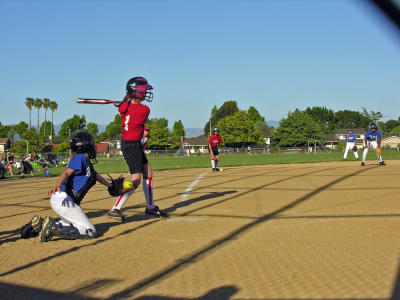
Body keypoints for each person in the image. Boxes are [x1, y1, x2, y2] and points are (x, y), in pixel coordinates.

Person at [106, 76, 167, 220]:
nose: (146, 93)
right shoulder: (144, 110)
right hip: (132, 146)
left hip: (130, 144)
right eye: (144, 91)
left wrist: (125, 101)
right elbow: (133, 107)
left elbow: (125, 105)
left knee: (148, 173)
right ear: (137, 92)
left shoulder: (123, 107)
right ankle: (115, 209)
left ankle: (150, 207)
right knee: (136, 180)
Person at [40, 131, 112, 242]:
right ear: (85, 145)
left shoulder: (87, 162)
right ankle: (51, 227)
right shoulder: (80, 158)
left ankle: (40, 224)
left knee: (71, 224)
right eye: (91, 143)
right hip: (64, 199)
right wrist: (58, 185)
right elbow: (67, 172)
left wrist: (110, 185)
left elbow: (96, 176)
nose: (93, 146)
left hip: (66, 201)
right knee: (90, 231)